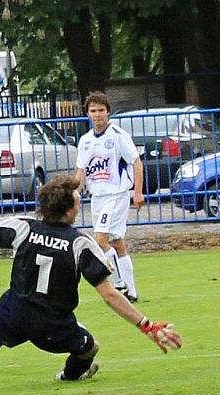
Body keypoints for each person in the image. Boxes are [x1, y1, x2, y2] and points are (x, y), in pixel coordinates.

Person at [0, 154, 181, 394]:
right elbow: (109, 294)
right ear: (69, 211)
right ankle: (68, 376)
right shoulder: (81, 243)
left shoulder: (24, 227)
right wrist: (147, 325)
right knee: (90, 347)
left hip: (14, 312)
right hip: (53, 323)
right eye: (77, 200)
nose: (80, 203)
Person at [74, 91, 144, 302]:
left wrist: (138, 192)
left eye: (101, 110)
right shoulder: (85, 141)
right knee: (117, 242)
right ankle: (131, 291)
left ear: (108, 112)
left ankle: (119, 282)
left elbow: (136, 162)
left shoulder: (117, 136)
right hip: (98, 197)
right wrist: (73, 191)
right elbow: (81, 171)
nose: (97, 115)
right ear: (87, 113)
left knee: (100, 239)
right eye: (93, 111)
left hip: (116, 195)